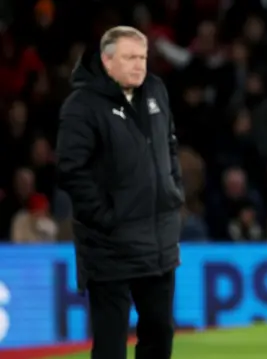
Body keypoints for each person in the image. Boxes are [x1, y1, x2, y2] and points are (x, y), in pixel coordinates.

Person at [56, 26, 183, 359]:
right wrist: (104, 217)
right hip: (110, 246)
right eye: (130, 57)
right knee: (111, 343)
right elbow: (71, 170)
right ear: (107, 60)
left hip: (158, 240)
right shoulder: (81, 105)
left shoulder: (156, 90)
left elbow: (169, 144)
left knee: (159, 334)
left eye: (142, 57)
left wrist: (173, 191)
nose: (139, 64)